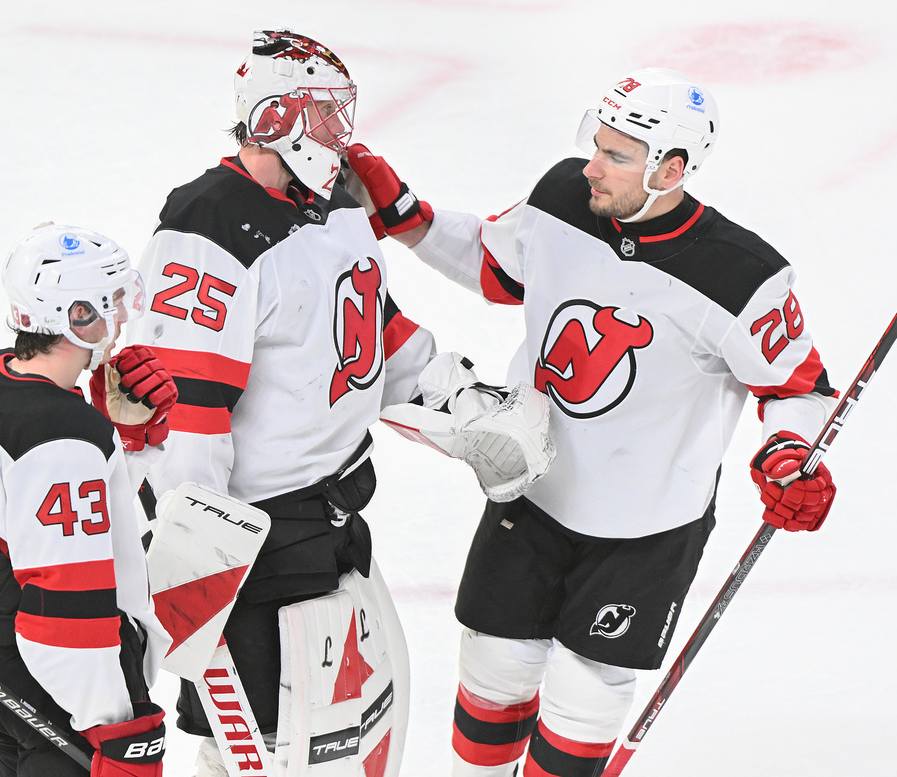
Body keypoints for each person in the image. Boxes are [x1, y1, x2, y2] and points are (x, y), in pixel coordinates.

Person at [344, 68, 839, 777]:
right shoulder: (560, 198)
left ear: (672, 168)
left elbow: (799, 385)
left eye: (616, 156)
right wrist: (407, 215)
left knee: (586, 693)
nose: (591, 166)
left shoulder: (741, 276)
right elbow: (494, 262)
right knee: (493, 666)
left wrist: (791, 449)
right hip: (534, 490)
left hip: (648, 528)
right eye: (595, 144)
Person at [128, 28, 551, 777]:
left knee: (337, 740)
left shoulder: (338, 199)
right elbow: (190, 407)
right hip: (255, 541)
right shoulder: (209, 225)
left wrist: (456, 401)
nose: (340, 133)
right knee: (266, 750)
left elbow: (367, 335)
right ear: (275, 117)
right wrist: (193, 549)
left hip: (334, 519)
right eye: (325, 114)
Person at [0, 223, 177, 777]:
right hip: (55, 699)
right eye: (111, 302)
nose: (122, 316)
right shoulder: (59, 436)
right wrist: (118, 727)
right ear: (77, 317)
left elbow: (20, 514)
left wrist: (122, 441)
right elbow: (65, 613)